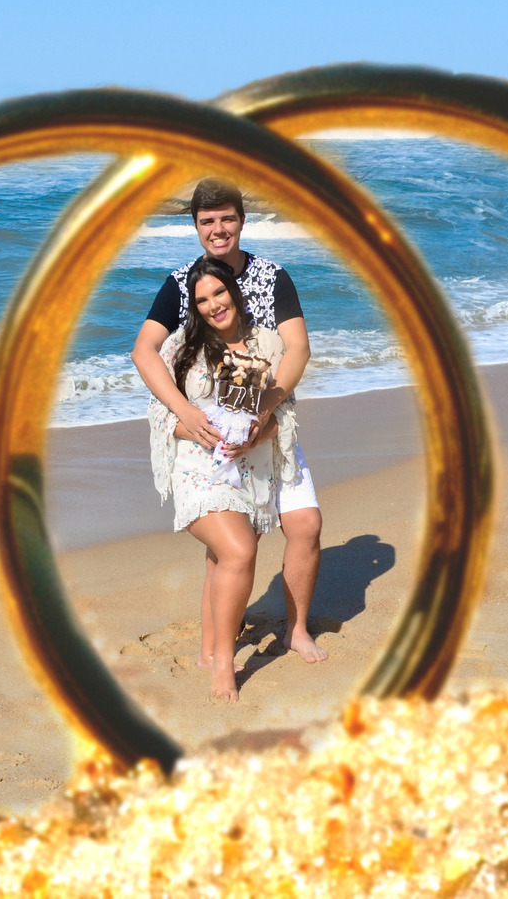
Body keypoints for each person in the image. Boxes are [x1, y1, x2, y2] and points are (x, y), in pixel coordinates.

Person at [132, 178, 330, 670]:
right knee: (236, 544)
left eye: (227, 218)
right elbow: (144, 351)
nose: (218, 229)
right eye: (207, 221)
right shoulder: (183, 284)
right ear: (196, 226)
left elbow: (298, 348)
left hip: (273, 425)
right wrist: (184, 412)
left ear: (242, 220)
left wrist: (266, 411)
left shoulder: (271, 277)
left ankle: (296, 632)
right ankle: (213, 643)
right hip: (219, 442)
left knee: (306, 525)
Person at [147, 256, 298, 701]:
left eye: (219, 292)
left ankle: (207, 652)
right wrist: (195, 426)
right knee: (239, 550)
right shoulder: (182, 347)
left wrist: (255, 435)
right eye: (202, 300)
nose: (213, 305)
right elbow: (158, 413)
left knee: (221, 560)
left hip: (250, 470)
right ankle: (223, 666)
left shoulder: (268, 345)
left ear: (234, 290)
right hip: (197, 468)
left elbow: (283, 414)